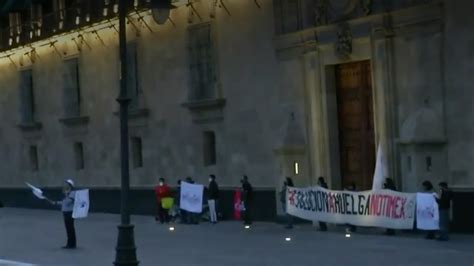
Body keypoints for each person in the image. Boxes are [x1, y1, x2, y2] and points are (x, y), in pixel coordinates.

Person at [48, 179, 77, 249]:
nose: (65, 185)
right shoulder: (68, 193)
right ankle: (70, 243)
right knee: (68, 228)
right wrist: (55, 203)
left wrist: (66, 194)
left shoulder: (72, 193)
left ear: (70, 185)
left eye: (67, 184)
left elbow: (67, 202)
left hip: (70, 213)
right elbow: (64, 202)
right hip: (66, 213)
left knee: (70, 229)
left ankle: (72, 244)